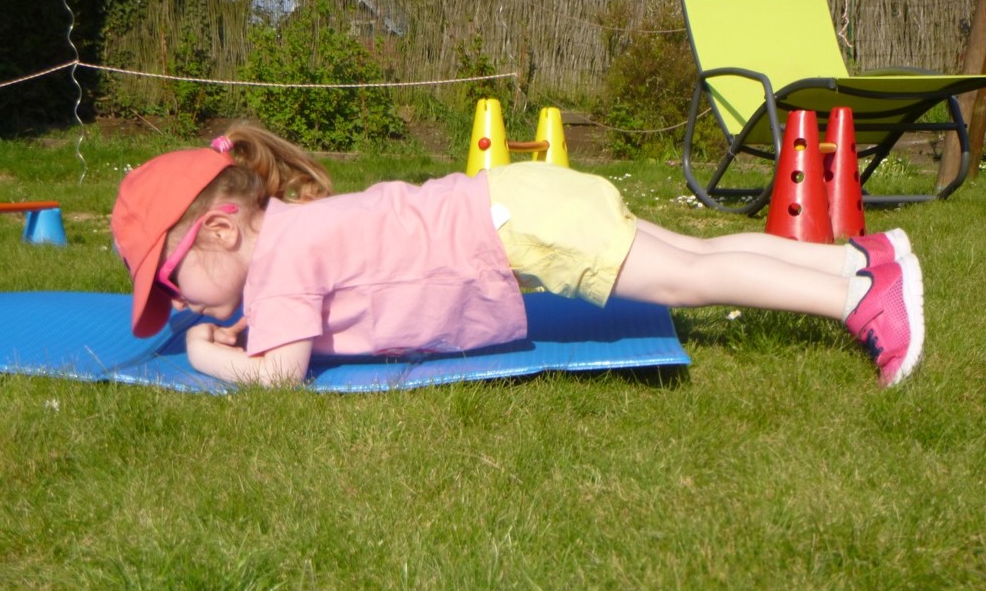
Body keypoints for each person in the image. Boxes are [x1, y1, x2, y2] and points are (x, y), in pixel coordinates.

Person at [111, 123, 924, 388]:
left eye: (171, 282)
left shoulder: (285, 261)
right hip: (512, 202)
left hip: (513, 225)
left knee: (687, 277)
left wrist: (205, 354)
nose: (178, 303)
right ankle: (858, 259)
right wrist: (246, 322)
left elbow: (281, 374)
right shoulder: (292, 232)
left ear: (221, 231)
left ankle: (858, 301)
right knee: (693, 252)